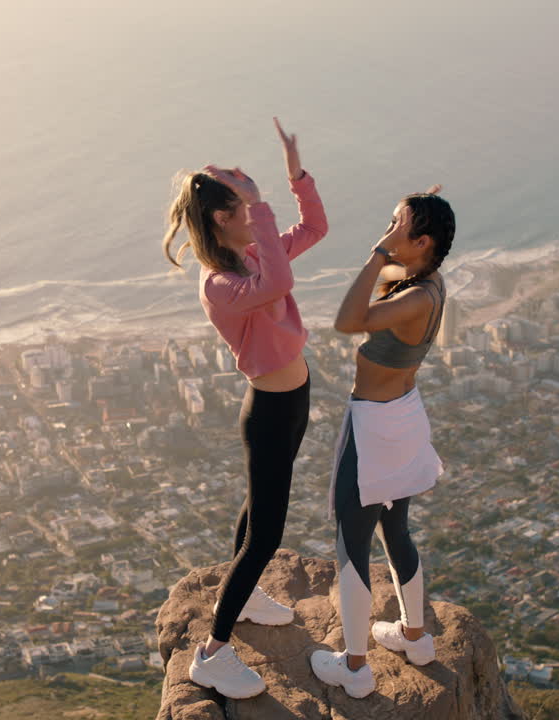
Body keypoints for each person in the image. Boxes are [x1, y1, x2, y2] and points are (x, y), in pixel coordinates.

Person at [161, 118, 328, 699]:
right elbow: (279, 284)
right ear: (222, 219)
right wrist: (260, 205)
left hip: (296, 395)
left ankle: (248, 594)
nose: (256, 215)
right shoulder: (219, 284)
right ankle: (213, 651)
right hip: (270, 409)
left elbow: (315, 228)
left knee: (257, 511)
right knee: (266, 534)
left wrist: (295, 173)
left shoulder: (255, 252)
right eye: (245, 208)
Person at [309, 188, 454, 698]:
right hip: (404, 418)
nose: (389, 231)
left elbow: (347, 321)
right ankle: (414, 637)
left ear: (423, 241)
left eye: (399, 226)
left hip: (372, 426)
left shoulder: (415, 297)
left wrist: (378, 250)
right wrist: (392, 248)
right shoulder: (427, 281)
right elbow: (371, 285)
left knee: (352, 541)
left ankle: (353, 667)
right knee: (396, 529)